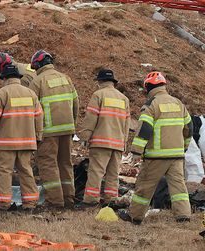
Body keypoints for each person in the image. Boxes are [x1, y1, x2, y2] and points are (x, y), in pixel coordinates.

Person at [119, 71, 192, 225]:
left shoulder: (152, 104)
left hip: (156, 156)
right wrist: (183, 148)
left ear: (149, 87)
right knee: (179, 187)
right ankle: (184, 215)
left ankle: (135, 216)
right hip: (176, 156)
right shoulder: (179, 103)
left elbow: (145, 129)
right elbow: (189, 128)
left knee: (145, 186)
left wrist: (136, 151)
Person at [0, 53, 43, 211]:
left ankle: (3, 204)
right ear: (18, 77)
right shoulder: (31, 94)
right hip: (27, 143)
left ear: (4, 78)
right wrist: (38, 137)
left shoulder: (2, 93)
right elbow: (39, 117)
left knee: (4, 172)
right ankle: (30, 203)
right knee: (26, 171)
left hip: (6, 144)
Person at [28, 50, 79, 208]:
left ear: (38, 66)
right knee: (65, 163)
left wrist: (35, 132)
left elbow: (32, 109)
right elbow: (76, 104)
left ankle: (55, 201)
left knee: (48, 164)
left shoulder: (38, 81)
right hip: (67, 130)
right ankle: (69, 198)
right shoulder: (66, 78)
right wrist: (72, 125)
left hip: (48, 132)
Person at [77, 69, 130, 208]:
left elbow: (91, 118)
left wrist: (85, 137)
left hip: (101, 142)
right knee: (113, 174)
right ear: (113, 82)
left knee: (96, 172)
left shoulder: (98, 95)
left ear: (100, 81)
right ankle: (111, 200)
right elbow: (127, 124)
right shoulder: (124, 99)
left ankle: (90, 200)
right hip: (118, 143)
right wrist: (124, 143)